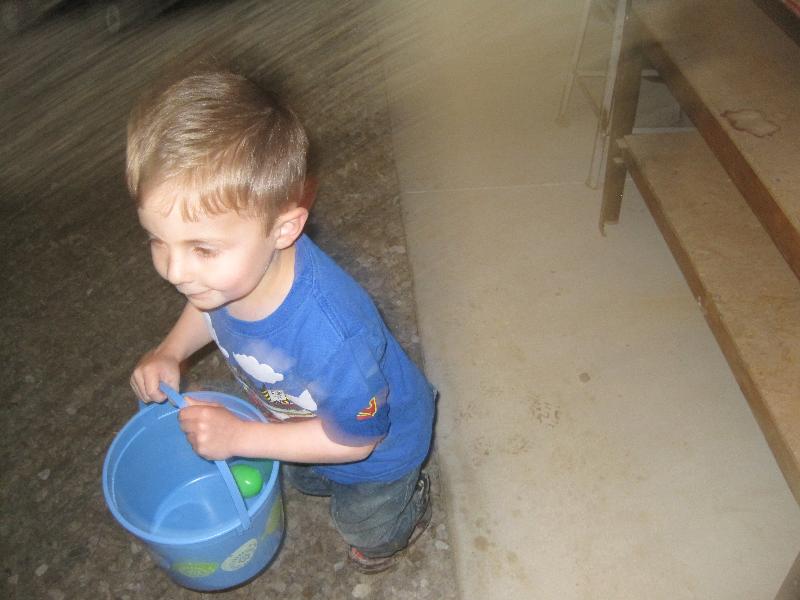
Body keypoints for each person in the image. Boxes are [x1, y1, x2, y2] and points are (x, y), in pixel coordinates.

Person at [126, 69, 436, 573]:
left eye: (202, 248)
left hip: (378, 450)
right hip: (305, 419)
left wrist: (240, 439)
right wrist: (170, 351)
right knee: (308, 475)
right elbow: (207, 305)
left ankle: (407, 511)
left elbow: (358, 442)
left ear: (284, 228)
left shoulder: (332, 338)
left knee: (365, 525)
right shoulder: (226, 278)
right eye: (158, 240)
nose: (175, 271)